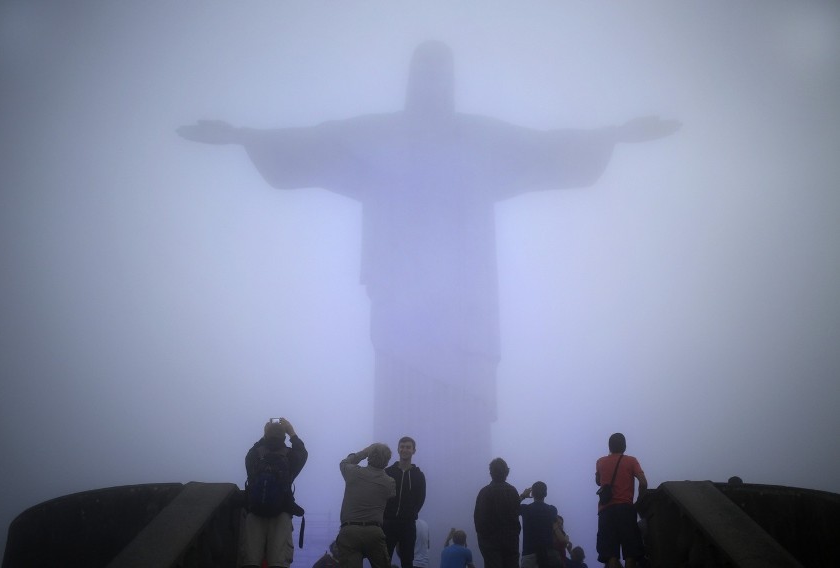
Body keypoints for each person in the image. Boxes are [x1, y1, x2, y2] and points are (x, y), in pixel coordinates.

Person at [176, 44, 680, 538]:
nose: (433, 81)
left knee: (464, 413)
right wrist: (242, 136)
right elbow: (315, 143)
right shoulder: (382, 136)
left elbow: (543, 147)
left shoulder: (479, 139)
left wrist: (615, 134)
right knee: (401, 399)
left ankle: (452, 527)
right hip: (401, 306)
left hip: (467, 307)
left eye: (441, 71)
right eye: (425, 70)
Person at [243, 418, 308, 568]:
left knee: (251, 562)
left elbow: (249, 454)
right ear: (283, 437)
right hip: (281, 513)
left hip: (255, 512)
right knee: (278, 562)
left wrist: (264, 435)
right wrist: (292, 432)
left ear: (266, 435)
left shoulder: (254, 455)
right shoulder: (291, 456)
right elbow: (303, 453)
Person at [337, 443, 397, 568]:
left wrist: (363, 452)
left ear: (369, 457)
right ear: (386, 462)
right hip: (374, 532)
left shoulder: (353, 472)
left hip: (349, 531)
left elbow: (343, 463)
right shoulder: (389, 483)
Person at [594, 433, 647, 568]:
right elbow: (643, 483)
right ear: (624, 446)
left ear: (609, 446)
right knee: (631, 552)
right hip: (626, 509)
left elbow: (598, 481)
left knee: (610, 554)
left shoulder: (600, 462)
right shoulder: (631, 461)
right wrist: (639, 502)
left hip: (606, 511)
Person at [384, 436, 427, 568]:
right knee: (383, 560)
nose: (405, 450)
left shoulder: (418, 475)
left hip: (408, 524)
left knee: (407, 561)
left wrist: (411, 513)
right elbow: (381, 495)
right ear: (398, 449)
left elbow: (421, 498)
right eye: (402, 447)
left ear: (414, 450)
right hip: (388, 523)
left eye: (408, 447)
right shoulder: (387, 472)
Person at [474, 458, 521, 568]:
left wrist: (484, 540)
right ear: (506, 473)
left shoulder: (484, 492)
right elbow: (516, 513)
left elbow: (479, 520)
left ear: (491, 473)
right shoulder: (513, 491)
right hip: (511, 543)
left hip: (490, 545)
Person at [518, 481, 561, 568]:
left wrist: (523, 495)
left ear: (532, 494)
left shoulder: (525, 509)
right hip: (549, 555)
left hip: (529, 554)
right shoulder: (552, 510)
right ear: (545, 494)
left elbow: (511, 507)